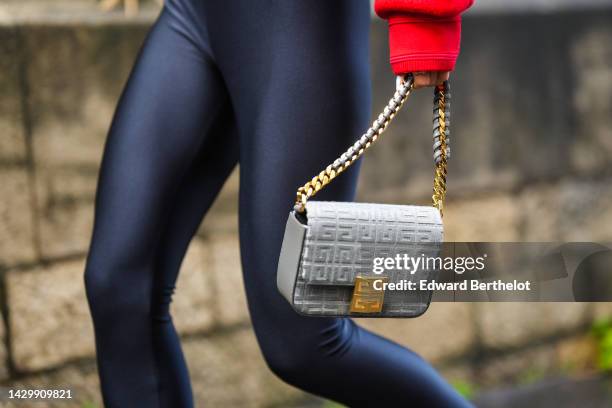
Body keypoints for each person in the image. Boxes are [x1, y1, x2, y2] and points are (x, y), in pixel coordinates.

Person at [84, 0, 474, 406]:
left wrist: (425, 21)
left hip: (299, 21)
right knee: (118, 287)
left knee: (303, 344)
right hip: (191, 12)